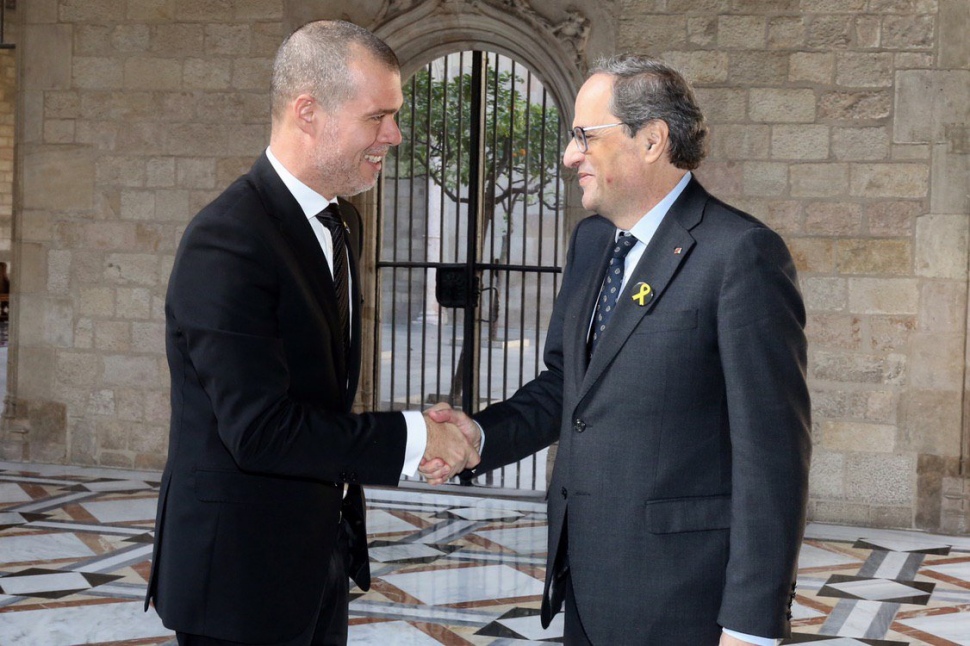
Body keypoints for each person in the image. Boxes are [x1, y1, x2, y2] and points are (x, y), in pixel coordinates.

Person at [423, 55, 811, 645]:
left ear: (651, 140)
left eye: (584, 136)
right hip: (584, 584)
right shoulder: (592, 242)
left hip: (685, 600)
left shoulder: (741, 255)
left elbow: (772, 455)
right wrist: (480, 438)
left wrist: (751, 624)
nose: (569, 155)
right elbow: (566, 387)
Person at [145, 20, 478, 646]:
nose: (395, 135)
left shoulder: (340, 221)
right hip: (238, 584)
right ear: (307, 111)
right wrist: (413, 435)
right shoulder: (229, 240)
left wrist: (416, 434)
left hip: (314, 563)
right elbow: (261, 432)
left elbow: (315, 399)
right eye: (377, 117)